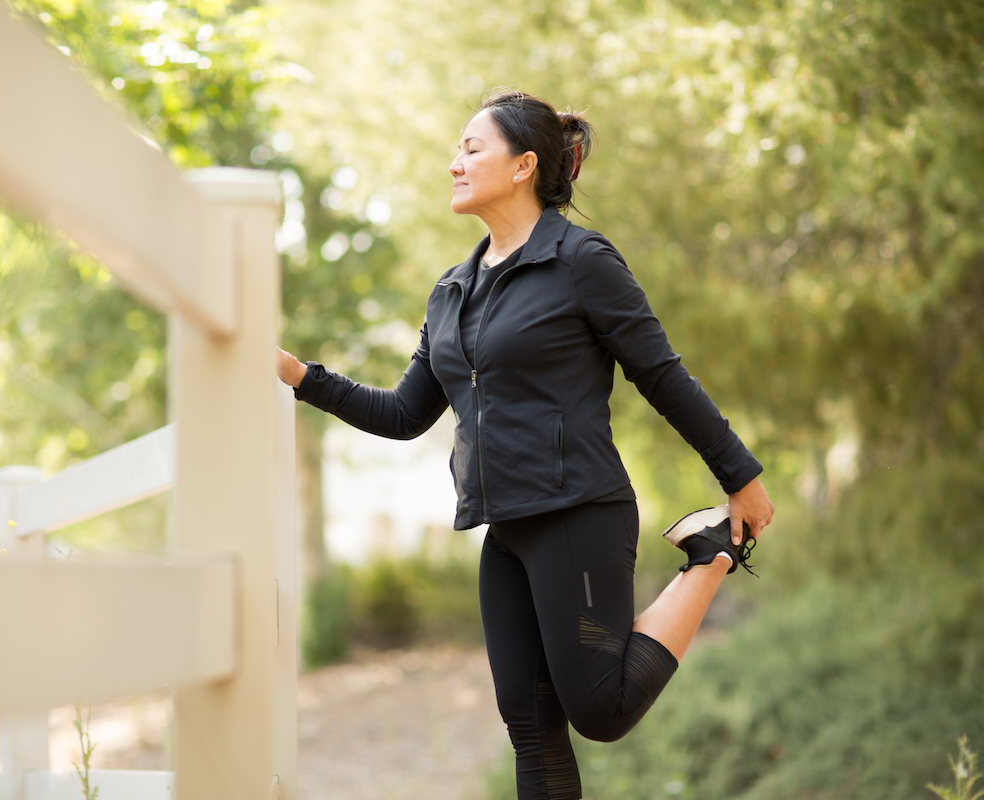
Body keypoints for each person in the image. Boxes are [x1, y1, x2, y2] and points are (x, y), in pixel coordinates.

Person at [276, 89, 775, 800]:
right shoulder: (452, 292)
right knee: (533, 733)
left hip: (579, 512)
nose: (454, 163)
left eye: (471, 148)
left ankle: (711, 555)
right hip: (504, 532)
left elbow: (659, 374)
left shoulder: (580, 260)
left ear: (524, 166)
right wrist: (298, 376)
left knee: (599, 711)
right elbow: (403, 414)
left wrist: (741, 476)